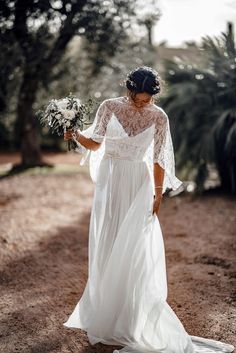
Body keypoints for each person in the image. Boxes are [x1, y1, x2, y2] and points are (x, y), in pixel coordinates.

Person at [63, 66, 235, 353]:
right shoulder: (108, 107)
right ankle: (106, 314)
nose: (142, 104)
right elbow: (95, 145)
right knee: (108, 242)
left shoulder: (159, 116)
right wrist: (75, 135)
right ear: (128, 89)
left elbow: (158, 159)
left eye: (147, 100)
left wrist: (158, 193)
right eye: (137, 99)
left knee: (135, 250)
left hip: (138, 184)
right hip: (111, 183)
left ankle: (130, 319)